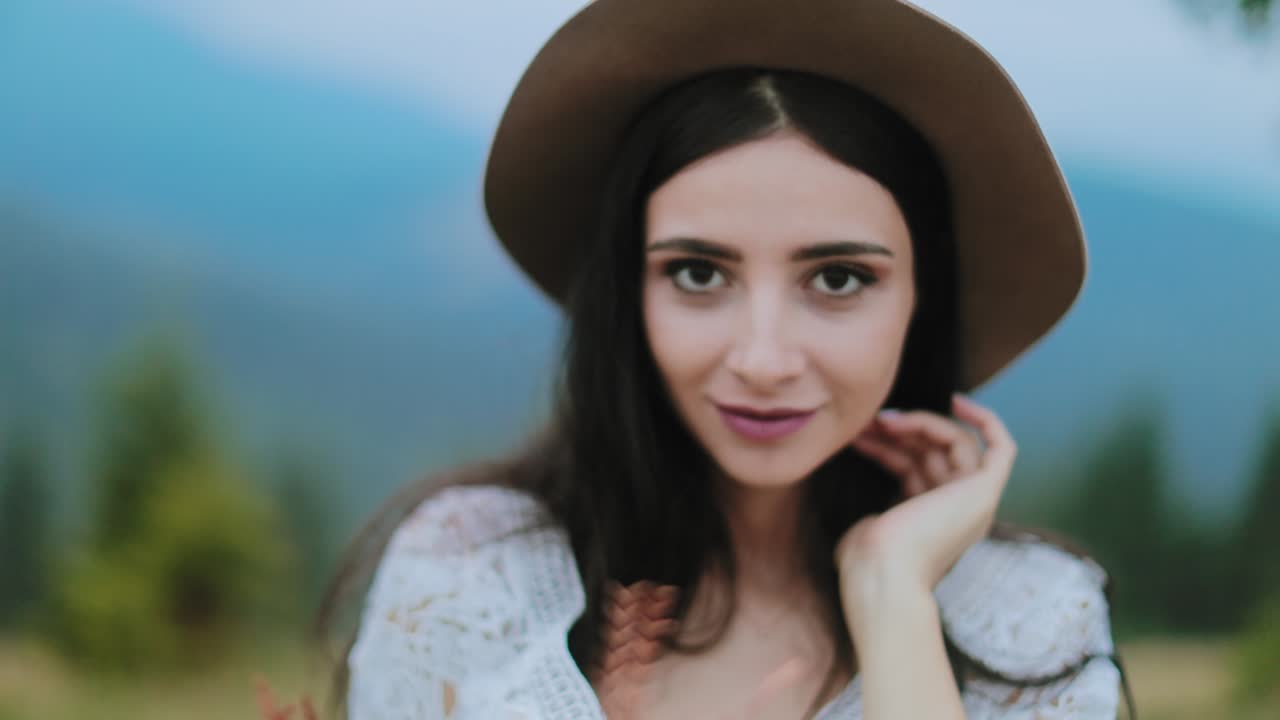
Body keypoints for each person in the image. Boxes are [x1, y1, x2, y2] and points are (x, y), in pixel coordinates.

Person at [316, 0, 1138, 717]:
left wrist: (892, 592)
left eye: (839, 278)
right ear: (628, 290)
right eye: (699, 273)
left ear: (920, 297)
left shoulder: (1028, 620)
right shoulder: (469, 576)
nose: (764, 358)